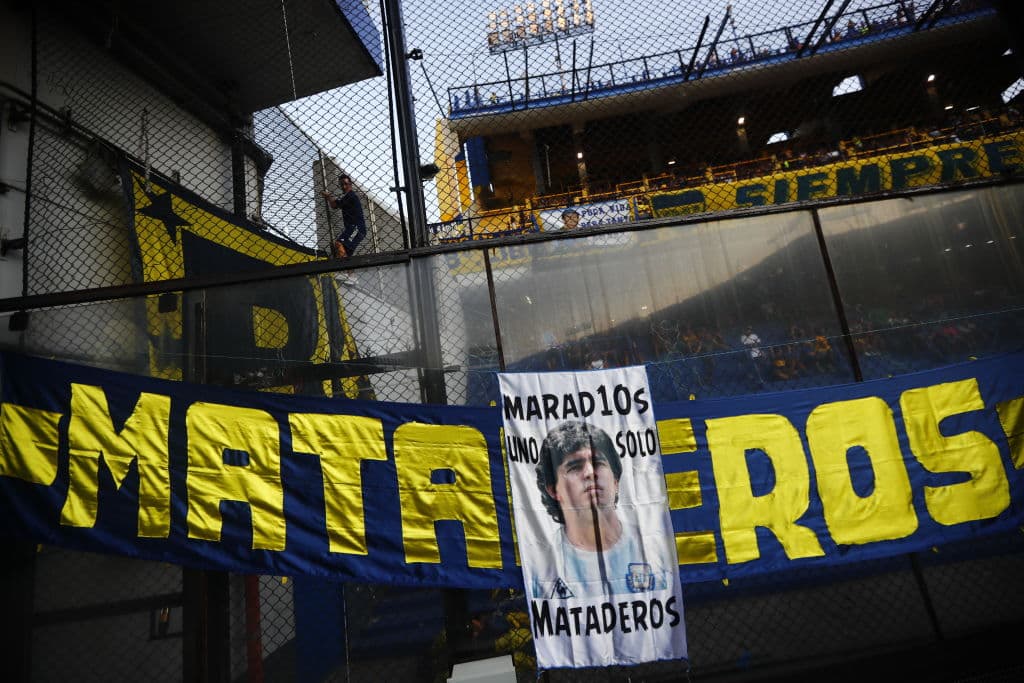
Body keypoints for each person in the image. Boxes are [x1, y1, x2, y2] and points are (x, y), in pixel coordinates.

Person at [531, 421, 669, 599]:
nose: (590, 472)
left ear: (615, 481)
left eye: (598, 463)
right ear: (553, 490)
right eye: (575, 467)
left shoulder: (652, 547)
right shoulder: (542, 563)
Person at [322, 173, 366, 258]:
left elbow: (334, 205)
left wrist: (328, 196)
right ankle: (348, 269)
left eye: (346, 184)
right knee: (343, 252)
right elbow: (335, 204)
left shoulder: (351, 196)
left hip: (356, 228)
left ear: (350, 184)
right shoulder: (347, 197)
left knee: (339, 244)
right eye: (341, 184)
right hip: (354, 228)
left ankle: (344, 268)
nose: (344, 186)